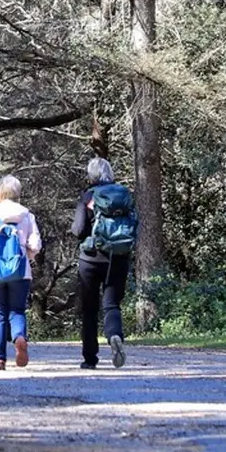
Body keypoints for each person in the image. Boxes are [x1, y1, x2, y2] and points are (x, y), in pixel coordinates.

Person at [71, 157, 133, 369]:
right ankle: (115, 335)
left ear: (91, 175)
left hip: (90, 258)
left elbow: (78, 230)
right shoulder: (123, 195)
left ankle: (90, 358)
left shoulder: (88, 196)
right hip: (118, 256)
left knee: (89, 310)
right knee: (112, 304)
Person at [0, 174, 42, 371]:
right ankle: (19, 337)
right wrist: (27, 255)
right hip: (21, 271)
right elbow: (35, 245)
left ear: (1, 193)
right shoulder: (27, 216)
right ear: (18, 194)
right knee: (17, 310)